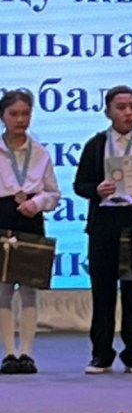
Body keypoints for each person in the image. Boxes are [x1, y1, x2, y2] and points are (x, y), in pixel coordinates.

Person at [73, 85, 132, 375]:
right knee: (102, 291)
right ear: (108, 112)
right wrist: (97, 190)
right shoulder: (96, 145)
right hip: (103, 225)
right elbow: (80, 185)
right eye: (121, 107)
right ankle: (101, 353)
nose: (128, 113)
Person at [0, 89, 60, 375]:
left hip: (31, 220)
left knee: (29, 288)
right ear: (3, 116)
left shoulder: (40, 152)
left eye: (25, 114)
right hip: (2, 218)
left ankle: (26, 352)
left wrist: (38, 203)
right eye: (14, 114)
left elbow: (54, 193)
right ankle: (8, 353)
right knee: (3, 288)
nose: (20, 119)